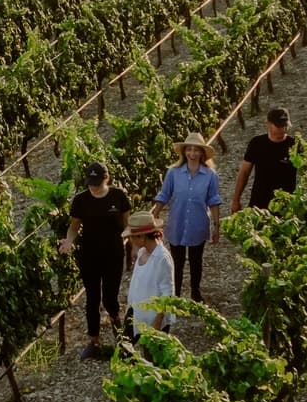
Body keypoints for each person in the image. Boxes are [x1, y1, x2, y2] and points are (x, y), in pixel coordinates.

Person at [58, 161, 131, 359]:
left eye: (96, 183)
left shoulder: (118, 196)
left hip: (113, 254)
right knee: (92, 298)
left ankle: (120, 334)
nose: (93, 187)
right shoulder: (81, 200)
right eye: (90, 183)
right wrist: (69, 241)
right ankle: (94, 341)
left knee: (110, 297)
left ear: (106, 178)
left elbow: (127, 223)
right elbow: (74, 226)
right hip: (89, 255)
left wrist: (133, 245)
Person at [150, 131, 221, 302]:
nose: (192, 153)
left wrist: (217, 225)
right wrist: (155, 214)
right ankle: (176, 295)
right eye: (189, 149)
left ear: (202, 153)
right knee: (177, 261)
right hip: (177, 223)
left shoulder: (210, 175)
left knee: (196, 260)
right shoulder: (173, 173)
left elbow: (213, 200)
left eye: (196, 150)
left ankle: (195, 293)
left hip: (198, 223)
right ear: (184, 152)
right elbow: (164, 194)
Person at [232, 107, 297, 212]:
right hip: (259, 204)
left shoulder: (295, 145)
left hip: (286, 206)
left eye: (285, 125)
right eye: (279, 126)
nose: (283, 129)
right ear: (268, 124)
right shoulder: (256, 144)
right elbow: (244, 172)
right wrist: (236, 200)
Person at [123, 211, 174, 343]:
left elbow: (167, 293)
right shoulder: (142, 252)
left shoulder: (162, 258)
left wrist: (158, 321)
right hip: (135, 312)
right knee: (124, 349)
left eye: (132, 236)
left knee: (151, 354)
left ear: (142, 237)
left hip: (153, 318)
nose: (131, 240)